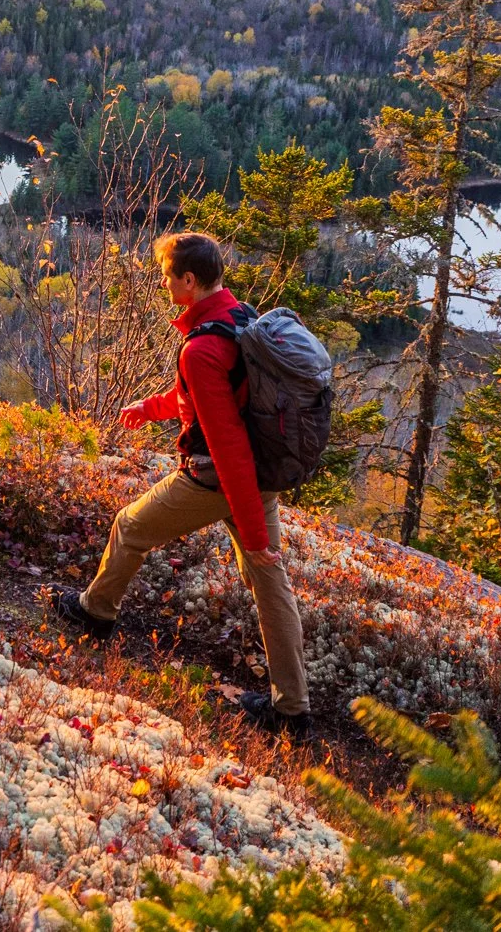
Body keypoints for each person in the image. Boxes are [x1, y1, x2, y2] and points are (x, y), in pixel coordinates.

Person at [40, 231, 311, 735]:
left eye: (168, 274)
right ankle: (291, 709)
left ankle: (95, 613)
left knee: (130, 526)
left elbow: (225, 442)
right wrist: (149, 408)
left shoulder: (201, 348)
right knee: (270, 580)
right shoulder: (239, 318)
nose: (162, 281)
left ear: (189, 281)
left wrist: (251, 530)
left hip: (218, 479)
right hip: (261, 476)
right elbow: (212, 398)